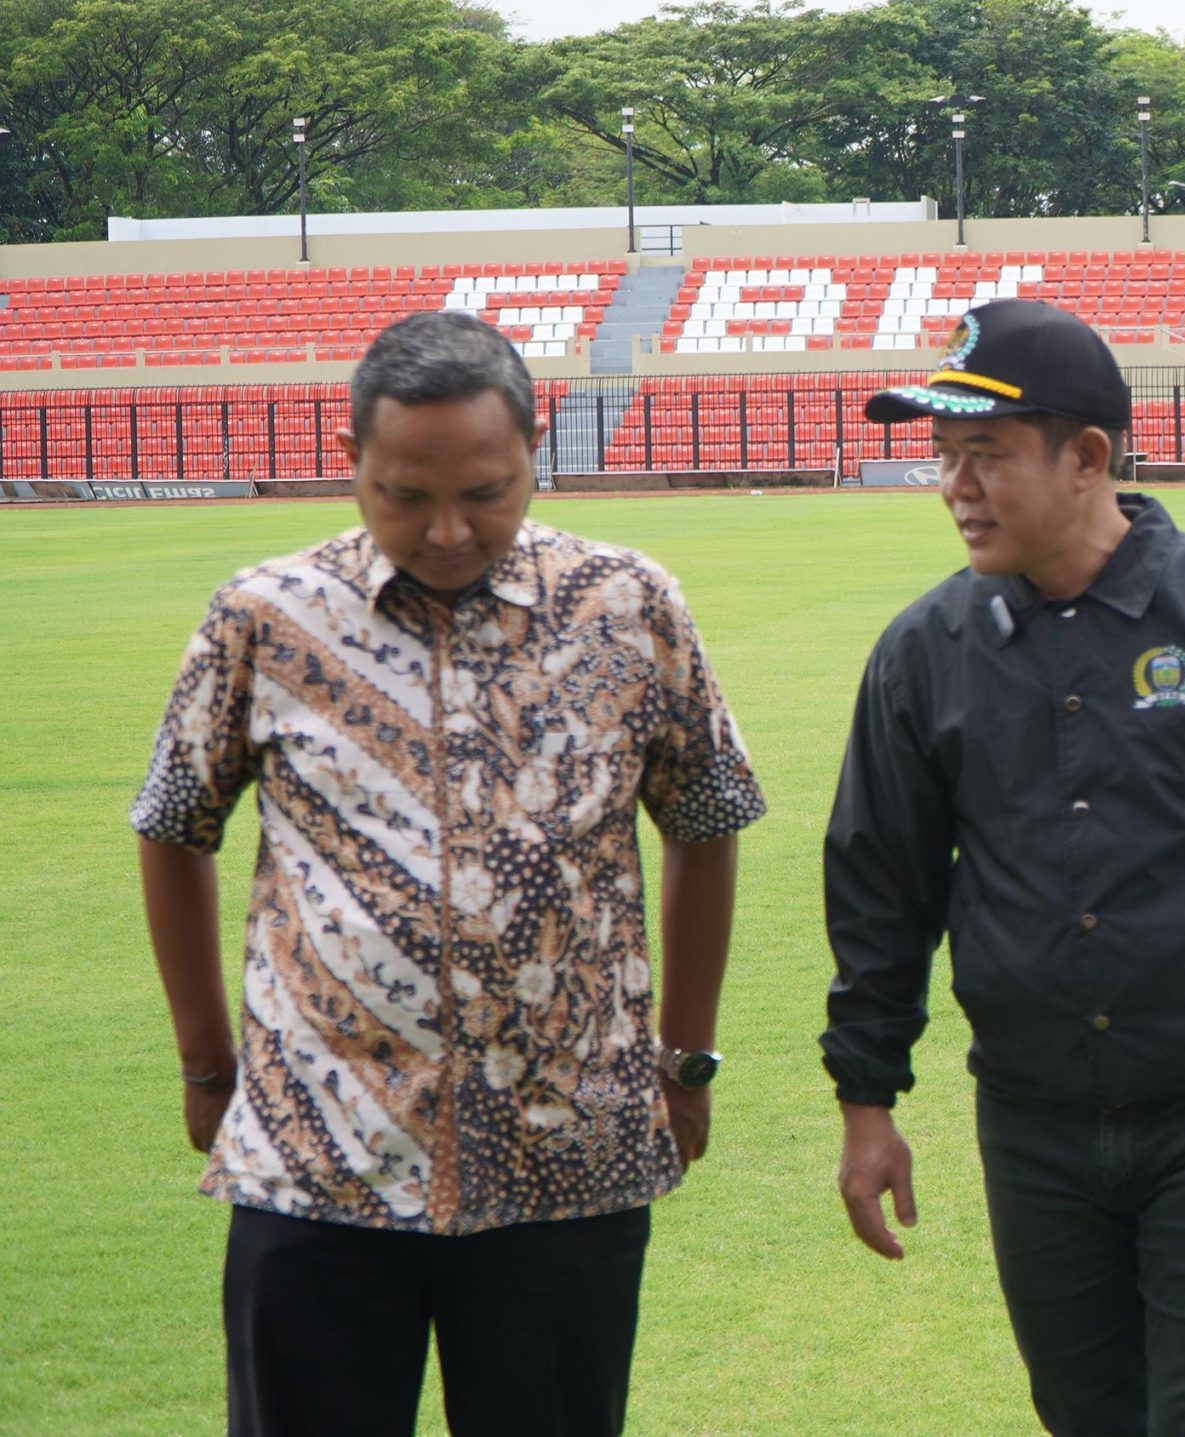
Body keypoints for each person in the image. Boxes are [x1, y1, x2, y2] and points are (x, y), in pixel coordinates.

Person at [132, 310, 765, 1437]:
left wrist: (689, 1053)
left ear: (534, 453)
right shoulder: (266, 618)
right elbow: (174, 825)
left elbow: (707, 822)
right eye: (403, 494)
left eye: (486, 491)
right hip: (319, 1153)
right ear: (351, 461)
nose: (446, 530)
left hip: (566, 1154)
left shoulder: (628, 606)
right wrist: (204, 1065)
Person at [822, 298, 1185, 1436]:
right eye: (944, 457)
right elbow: (881, 894)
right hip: (1033, 1119)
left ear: (1087, 456)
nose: (954, 486)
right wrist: (866, 1098)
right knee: (1083, 1415)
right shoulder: (922, 654)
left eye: (985, 455)